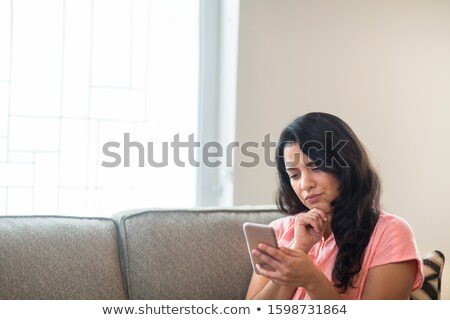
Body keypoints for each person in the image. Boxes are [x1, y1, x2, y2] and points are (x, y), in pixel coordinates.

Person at [246, 112, 424, 300]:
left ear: (345, 164)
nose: (305, 184)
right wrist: (298, 249)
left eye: (315, 165)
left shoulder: (390, 232)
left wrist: (312, 280)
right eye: (294, 175)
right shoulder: (279, 231)